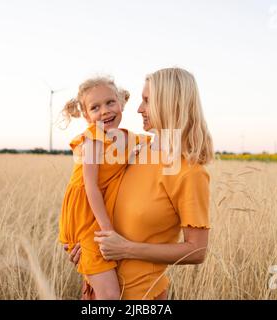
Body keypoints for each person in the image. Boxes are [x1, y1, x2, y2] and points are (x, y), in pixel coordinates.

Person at [67, 67, 214, 300]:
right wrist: (85, 245)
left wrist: (125, 248)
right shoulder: (134, 152)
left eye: (147, 101)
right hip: (96, 291)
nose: (138, 109)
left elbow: (197, 251)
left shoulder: (189, 173)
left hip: (142, 297)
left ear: (169, 104)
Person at [59, 76, 140, 300]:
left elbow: (152, 145)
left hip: (95, 215)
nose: (104, 111)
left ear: (121, 104)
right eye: (95, 107)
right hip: (85, 216)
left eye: (110, 103)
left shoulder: (125, 139)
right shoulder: (93, 139)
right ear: (86, 116)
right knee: (110, 296)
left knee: (102, 290)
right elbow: (90, 186)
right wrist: (107, 230)